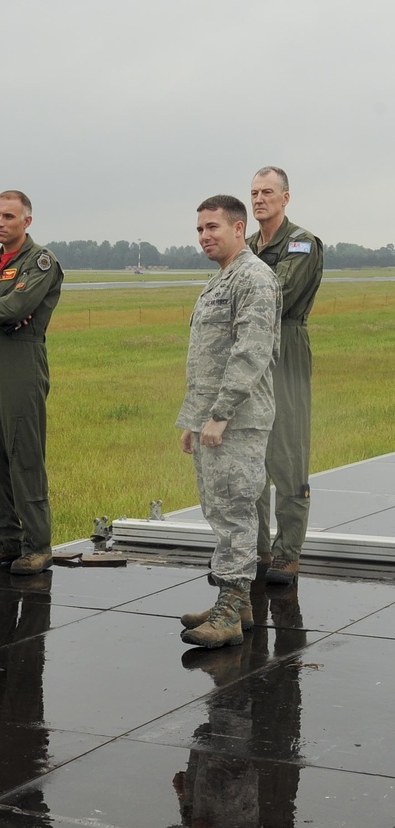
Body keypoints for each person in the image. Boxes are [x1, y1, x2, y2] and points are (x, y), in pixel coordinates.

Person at [177, 195, 281, 650]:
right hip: (213, 418)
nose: (205, 236)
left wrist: (219, 415)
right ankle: (237, 603)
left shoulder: (254, 278)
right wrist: (193, 420)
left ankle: (230, 610)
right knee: (219, 508)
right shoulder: (220, 279)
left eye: (213, 227)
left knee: (236, 509)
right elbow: (204, 358)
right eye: (200, 228)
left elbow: (249, 353)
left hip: (237, 420)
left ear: (239, 228)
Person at [0, 191, 64, 575]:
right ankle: (5, 539)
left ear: (27, 220)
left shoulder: (40, 261)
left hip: (20, 364)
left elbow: (18, 308)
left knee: (23, 454)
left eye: (8, 216)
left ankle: (37, 544)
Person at [248, 167, 324, 585]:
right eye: (254, 192)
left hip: (286, 346)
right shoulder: (245, 246)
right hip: (248, 351)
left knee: (288, 451)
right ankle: (256, 548)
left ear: (285, 198)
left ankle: (287, 552)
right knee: (251, 452)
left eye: (268, 192)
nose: (260, 199)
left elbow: (277, 296)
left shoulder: (300, 243)